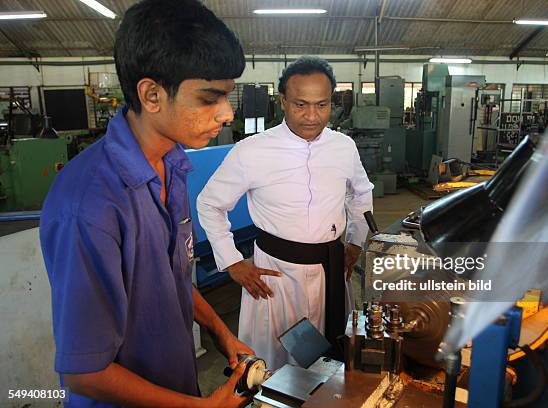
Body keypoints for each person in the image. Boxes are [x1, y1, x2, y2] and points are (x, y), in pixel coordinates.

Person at [39, 1, 253, 406]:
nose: (226, 113)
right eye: (210, 98)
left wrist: (218, 330)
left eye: (228, 96)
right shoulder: (89, 205)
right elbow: (84, 372)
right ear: (152, 94)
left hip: (176, 385)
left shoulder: (172, 165)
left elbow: (169, 279)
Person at [198, 56, 374, 370]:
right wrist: (232, 261)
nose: (311, 116)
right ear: (283, 102)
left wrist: (356, 243)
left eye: (322, 105)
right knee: (277, 363)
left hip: (331, 270)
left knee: (334, 357)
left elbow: (361, 193)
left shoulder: (343, 146)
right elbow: (210, 204)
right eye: (300, 105)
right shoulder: (251, 151)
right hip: (277, 276)